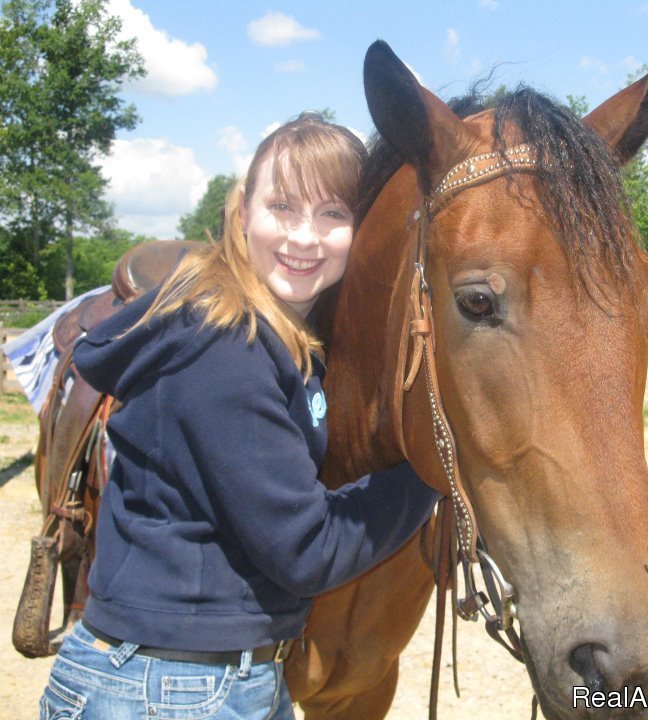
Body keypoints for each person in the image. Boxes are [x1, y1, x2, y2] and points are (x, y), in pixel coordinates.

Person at [38, 114, 439, 720]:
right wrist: (432, 470)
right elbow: (306, 550)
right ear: (242, 211)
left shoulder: (285, 338)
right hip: (167, 688)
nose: (305, 237)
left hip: (214, 679)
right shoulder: (227, 346)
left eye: (333, 214)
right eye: (282, 206)